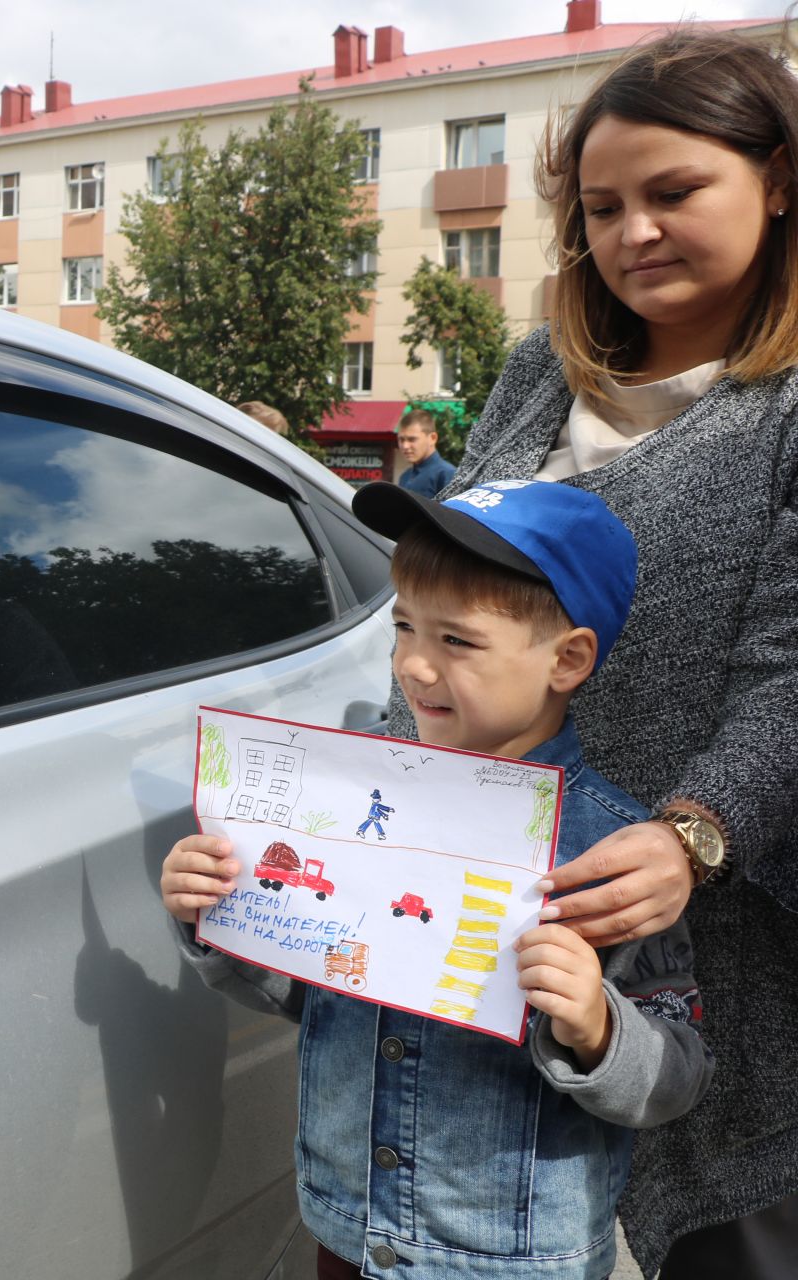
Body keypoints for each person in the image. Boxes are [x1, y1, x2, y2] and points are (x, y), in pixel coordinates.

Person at [387, 30, 798, 1276]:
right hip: (500, 919)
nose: (634, 234)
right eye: (603, 205)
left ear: (779, 179)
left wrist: (692, 836)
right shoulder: (534, 370)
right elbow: (447, 577)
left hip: (714, 941)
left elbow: (790, 671)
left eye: (675, 193)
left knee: (722, 1237)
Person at [162, 479, 711, 1280]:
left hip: (507, 1262)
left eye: (458, 640)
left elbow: (679, 1078)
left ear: (568, 659)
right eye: (404, 626)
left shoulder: (613, 858)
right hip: (346, 1229)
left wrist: (596, 1026)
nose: (414, 663)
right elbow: (311, 997)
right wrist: (221, 916)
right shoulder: (349, 805)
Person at [393, 409, 454, 497]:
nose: (405, 446)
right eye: (401, 439)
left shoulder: (447, 474)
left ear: (433, 438)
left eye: (412, 439)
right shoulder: (405, 476)